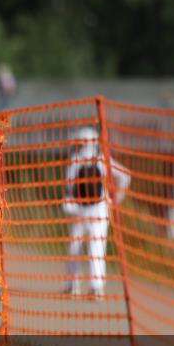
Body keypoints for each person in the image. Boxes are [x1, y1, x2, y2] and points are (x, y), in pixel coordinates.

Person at [62, 126, 131, 299]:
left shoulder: (83, 160)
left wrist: (115, 199)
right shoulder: (95, 159)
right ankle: (83, 287)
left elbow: (69, 186)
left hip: (92, 211)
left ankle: (88, 287)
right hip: (89, 210)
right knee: (87, 248)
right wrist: (115, 199)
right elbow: (125, 176)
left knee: (86, 248)